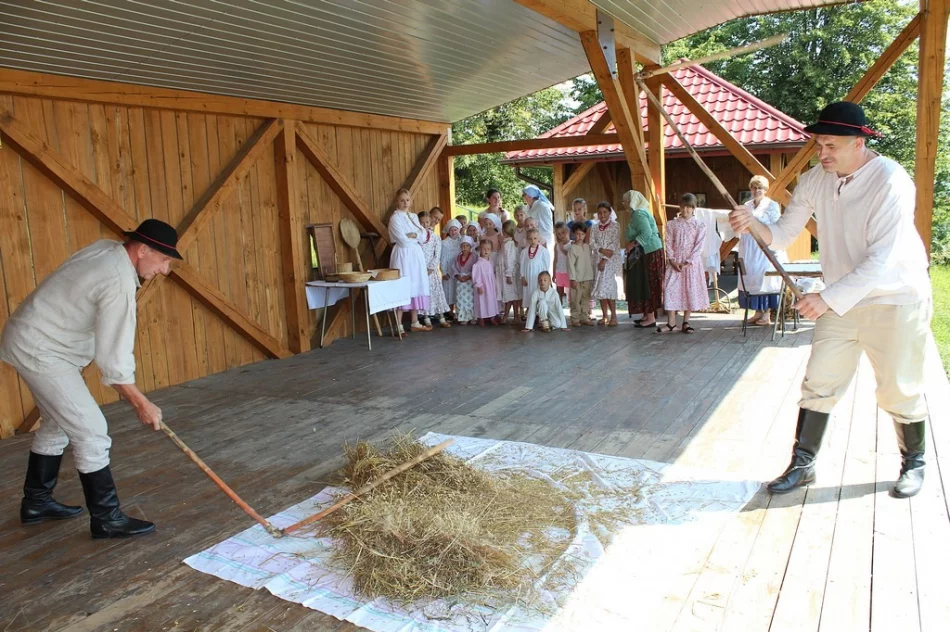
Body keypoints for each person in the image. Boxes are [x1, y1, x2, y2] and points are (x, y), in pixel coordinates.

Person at [729, 102, 933, 498]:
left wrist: (825, 298)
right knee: (819, 381)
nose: (821, 153)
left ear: (859, 143)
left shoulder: (891, 180)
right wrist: (752, 224)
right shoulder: (816, 180)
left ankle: (915, 462)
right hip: (841, 300)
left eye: (831, 146)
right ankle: (803, 464)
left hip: (895, 298)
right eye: (819, 144)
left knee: (897, 388)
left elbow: (882, 258)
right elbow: (784, 234)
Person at [1, 219, 182, 539]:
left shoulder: (107, 250)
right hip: (41, 350)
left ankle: (37, 503)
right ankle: (106, 518)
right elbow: (114, 358)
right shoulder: (117, 281)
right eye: (164, 259)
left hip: (34, 340)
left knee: (58, 422)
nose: (165, 270)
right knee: (92, 432)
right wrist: (142, 403)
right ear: (143, 250)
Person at [737, 175, 788, 325]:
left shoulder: (771, 205)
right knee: (751, 277)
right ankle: (757, 311)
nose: (756, 190)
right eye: (754, 187)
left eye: (760, 188)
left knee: (764, 277)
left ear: (765, 190)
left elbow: (775, 225)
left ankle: (766, 314)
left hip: (764, 246)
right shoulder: (747, 205)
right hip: (749, 247)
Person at [661, 194, 709, 334]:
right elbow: (668, 242)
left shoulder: (699, 225)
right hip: (675, 261)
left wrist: (688, 262)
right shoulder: (672, 224)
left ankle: (686, 321)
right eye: (683, 206)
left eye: (689, 207)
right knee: (670, 289)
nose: (686, 210)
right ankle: (671, 322)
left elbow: (699, 245)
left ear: (693, 208)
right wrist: (671, 259)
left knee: (689, 290)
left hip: (690, 264)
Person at [388, 188, 430, 333]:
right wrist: (413, 236)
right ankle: (398, 324)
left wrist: (414, 235)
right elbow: (402, 241)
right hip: (403, 256)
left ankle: (415, 321)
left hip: (415, 256)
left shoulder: (413, 216)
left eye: (407, 200)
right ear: (397, 201)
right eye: (402, 200)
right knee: (403, 285)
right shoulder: (395, 219)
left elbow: (424, 235)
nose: (405, 203)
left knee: (415, 284)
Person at [623, 190, 664, 328]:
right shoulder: (640, 212)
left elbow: (646, 232)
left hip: (649, 253)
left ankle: (651, 317)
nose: (624, 204)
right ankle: (647, 314)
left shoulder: (639, 214)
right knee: (645, 283)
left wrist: (632, 244)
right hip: (649, 252)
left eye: (626, 201)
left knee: (648, 284)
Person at [590, 202, 621, 327]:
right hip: (597, 259)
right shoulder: (594, 227)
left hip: (610, 261)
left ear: (609, 213)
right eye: (600, 212)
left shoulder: (615, 226)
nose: (602, 215)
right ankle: (604, 315)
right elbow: (592, 242)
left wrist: (604, 259)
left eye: (605, 212)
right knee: (600, 288)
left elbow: (614, 243)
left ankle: (614, 315)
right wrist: (601, 250)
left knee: (608, 288)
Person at [418, 210, 451, 329]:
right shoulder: (418, 237)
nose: (435, 221)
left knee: (437, 294)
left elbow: (437, 255)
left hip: (432, 271)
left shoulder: (435, 237)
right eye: (434, 217)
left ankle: (441, 316)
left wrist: (431, 268)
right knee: (425, 293)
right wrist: (421, 269)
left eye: (438, 219)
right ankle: (426, 317)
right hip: (421, 269)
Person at [521, 185, 555, 272]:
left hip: (541, 241)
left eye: (523, 195)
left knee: (541, 267)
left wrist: (544, 242)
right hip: (531, 240)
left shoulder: (542, 206)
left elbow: (548, 227)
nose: (523, 198)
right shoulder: (528, 207)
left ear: (529, 195)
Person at [567, 223, 595, 327]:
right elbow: (570, 265)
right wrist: (572, 279)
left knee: (586, 298)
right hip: (577, 279)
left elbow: (590, 261)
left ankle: (585, 317)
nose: (580, 236)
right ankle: (575, 318)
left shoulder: (587, 247)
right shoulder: (572, 248)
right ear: (574, 234)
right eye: (577, 234)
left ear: (585, 235)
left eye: (582, 234)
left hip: (587, 277)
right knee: (575, 299)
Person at [519, 228, 551, 312]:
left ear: (539, 238)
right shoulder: (524, 251)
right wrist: (522, 276)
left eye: (535, 238)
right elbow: (522, 264)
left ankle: (540, 313)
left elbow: (546, 264)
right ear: (527, 239)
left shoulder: (543, 251)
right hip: (528, 277)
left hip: (538, 277)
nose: (533, 240)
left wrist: (545, 278)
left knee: (539, 294)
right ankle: (530, 312)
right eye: (530, 239)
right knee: (529, 293)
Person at [472, 240, 500, 326]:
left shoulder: (490, 261)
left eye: (488, 249)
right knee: (482, 301)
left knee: (491, 301)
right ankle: (481, 317)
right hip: (483, 286)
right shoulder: (478, 264)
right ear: (480, 249)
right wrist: (479, 286)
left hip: (490, 286)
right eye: (484, 249)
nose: (486, 251)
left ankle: (492, 317)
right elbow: (476, 276)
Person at [452, 236, 477, 325]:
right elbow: (454, 267)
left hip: (469, 281)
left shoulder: (474, 256)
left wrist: (469, 276)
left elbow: (475, 268)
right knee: (461, 299)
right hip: (460, 281)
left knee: (470, 299)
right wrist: (458, 276)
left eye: (467, 246)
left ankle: (472, 316)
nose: (465, 248)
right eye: (463, 246)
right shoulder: (457, 257)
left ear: (470, 247)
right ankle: (463, 317)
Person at [500, 220, 521, 323]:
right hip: (511, 273)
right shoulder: (509, 243)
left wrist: (509, 274)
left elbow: (510, 260)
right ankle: (513, 316)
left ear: (504, 231)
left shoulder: (509, 244)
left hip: (510, 274)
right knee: (512, 296)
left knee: (511, 296)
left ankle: (509, 316)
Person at [440, 219, 462, 319]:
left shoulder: (462, 241)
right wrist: (444, 271)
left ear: (458, 230)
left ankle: (459, 310)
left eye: (455, 230)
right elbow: (443, 258)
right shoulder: (444, 243)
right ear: (448, 231)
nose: (453, 232)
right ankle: (449, 310)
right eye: (451, 230)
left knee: (458, 289)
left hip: (459, 269)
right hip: (449, 269)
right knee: (449, 290)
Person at [553, 222, 572, 304]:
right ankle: (559, 309)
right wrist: (554, 273)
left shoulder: (572, 244)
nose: (561, 236)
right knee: (559, 293)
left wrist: (563, 249)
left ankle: (572, 310)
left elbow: (571, 257)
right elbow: (555, 260)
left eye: (563, 232)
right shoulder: (556, 245)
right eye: (559, 234)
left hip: (569, 272)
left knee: (570, 294)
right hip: (559, 271)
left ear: (567, 231)